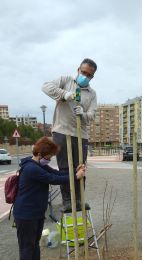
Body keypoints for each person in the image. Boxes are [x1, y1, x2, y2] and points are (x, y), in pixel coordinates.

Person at [13, 137, 85, 260]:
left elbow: (56, 173)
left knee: (34, 243)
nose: (49, 160)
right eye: (48, 157)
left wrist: (74, 171)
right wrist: (75, 178)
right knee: (27, 245)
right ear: (39, 154)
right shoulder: (32, 168)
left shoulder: (38, 164)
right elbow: (52, 179)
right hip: (26, 214)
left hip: (36, 212)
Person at [41, 58, 97, 212]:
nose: (84, 76)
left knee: (80, 168)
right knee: (65, 168)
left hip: (81, 135)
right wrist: (65, 95)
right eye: (83, 72)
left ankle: (79, 200)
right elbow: (45, 87)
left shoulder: (92, 94)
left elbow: (92, 114)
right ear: (78, 69)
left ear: (92, 77)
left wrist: (84, 114)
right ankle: (67, 201)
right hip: (62, 131)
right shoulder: (66, 81)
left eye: (88, 74)